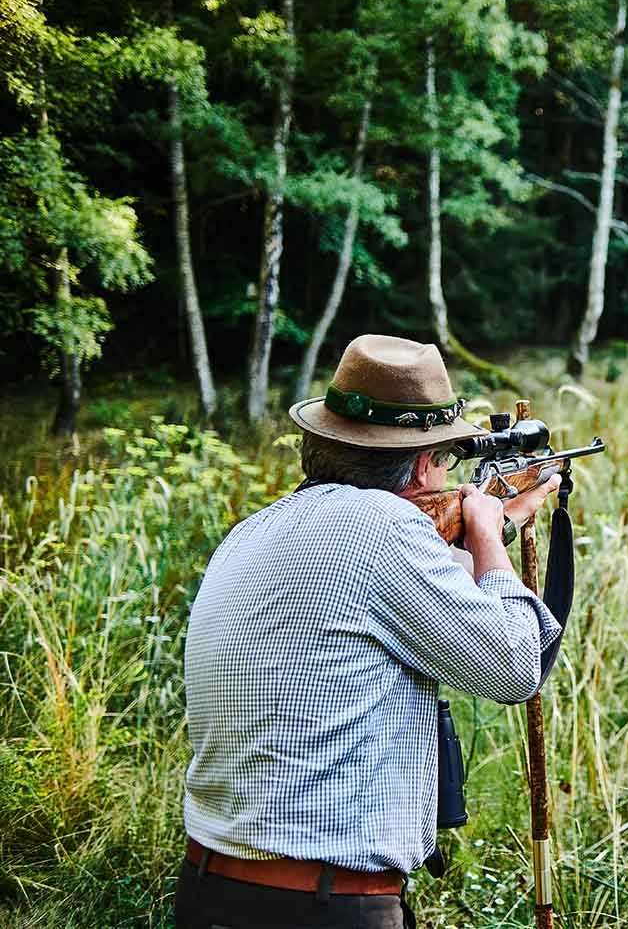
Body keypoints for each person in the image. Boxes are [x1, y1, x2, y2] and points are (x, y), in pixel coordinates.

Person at [174, 334, 561, 929]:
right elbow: (513, 666)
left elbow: (395, 604)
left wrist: (493, 522)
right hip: (324, 907)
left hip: (207, 891)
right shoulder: (386, 527)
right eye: (446, 460)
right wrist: (487, 537)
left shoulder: (253, 530)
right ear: (427, 462)